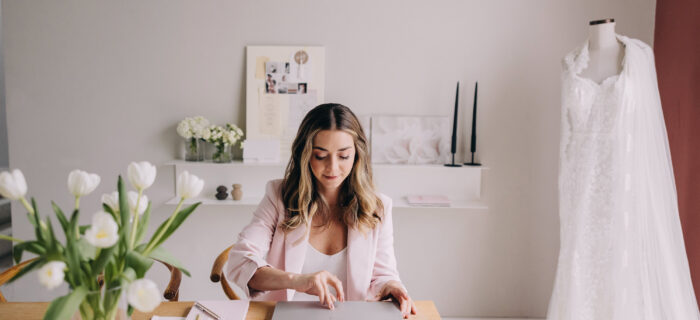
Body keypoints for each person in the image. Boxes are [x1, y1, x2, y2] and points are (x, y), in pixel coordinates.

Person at [225, 103, 418, 318]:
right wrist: (299, 281)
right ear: (304, 154)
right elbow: (238, 261)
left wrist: (391, 286)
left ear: (357, 155)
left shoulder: (378, 207)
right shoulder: (279, 196)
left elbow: (382, 275)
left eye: (343, 156)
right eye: (320, 155)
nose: (333, 167)